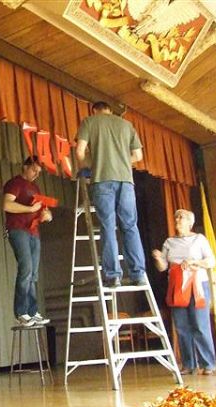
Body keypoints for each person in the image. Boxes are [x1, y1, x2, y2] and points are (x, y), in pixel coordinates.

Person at [75, 101, 146, 288]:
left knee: (108, 226)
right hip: (126, 181)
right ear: (110, 110)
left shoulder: (89, 122)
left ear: (94, 110)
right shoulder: (126, 125)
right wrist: (120, 160)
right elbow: (138, 156)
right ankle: (138, 274)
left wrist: (90, 166)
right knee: (130, 226)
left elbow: (79, 151)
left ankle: (113, 276)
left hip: (103, 180)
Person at [152, 209, 216, 375]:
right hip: (176, 286)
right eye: (176, 217)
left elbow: (211, 261)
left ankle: (208, 364)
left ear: (190, 222)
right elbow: (162, 267)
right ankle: (189, 364)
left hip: (197, 285)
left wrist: (195, 262)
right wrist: (158, 258)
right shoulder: (169, 242)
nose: (177, 220)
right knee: (181, 327)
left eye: (181, 217)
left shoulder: (199, 239)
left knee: (200, 325)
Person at [3, 156, 52, 327]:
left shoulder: (35, 187)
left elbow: (44, 210)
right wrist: (30, 209)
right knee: (26, 269)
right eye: (33, 170)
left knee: (33, 273)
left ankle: (32, 311)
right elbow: (7, 205)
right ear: (25, 167)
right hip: (18, 230)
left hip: (33, 231)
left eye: (38, 172)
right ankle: (21, 312)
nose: (36, 174)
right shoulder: (15, 183)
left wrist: (46, 215)